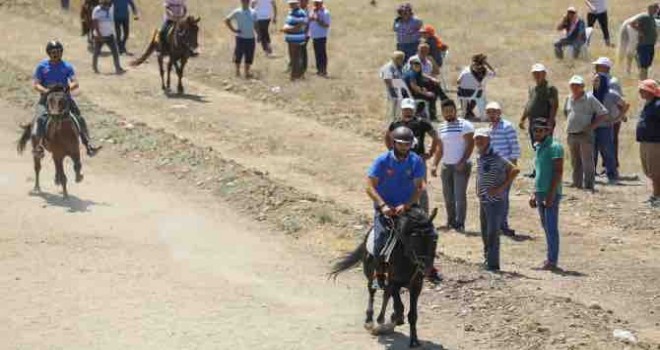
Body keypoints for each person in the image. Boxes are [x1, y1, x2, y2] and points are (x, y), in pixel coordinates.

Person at [367, 126, 441, 285]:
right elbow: (370, 187)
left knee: (430, 234)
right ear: (393, 143)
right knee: (380, 241)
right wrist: (382, 205)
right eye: (400, 144)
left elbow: (420, 187)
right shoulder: (382, 161)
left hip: (408, 208)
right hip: (386, 209)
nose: (404, 147)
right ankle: (379, 273)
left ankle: (428, 267)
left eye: (407, 144)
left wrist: (407, 205)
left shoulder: (416, 161)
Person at [32, 41, 101, 158]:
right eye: (54, 52)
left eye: (59, 52)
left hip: (64, 99)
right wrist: (46, 91)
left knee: (79, 117)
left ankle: (87, 144)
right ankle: (39, 146)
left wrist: (67, 88)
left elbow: (75, 82)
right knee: (39, 119)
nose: (57, 55)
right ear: (49, 53)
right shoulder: (41, 67)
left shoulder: (67, 66)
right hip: (47, 100)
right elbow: (36, 84)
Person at [474, 128, 519, 272]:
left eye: (482, 138)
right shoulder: (479, 156)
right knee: (485, 231)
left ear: (488, 140)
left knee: (493, 232)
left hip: (495, 201)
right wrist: (477, 189)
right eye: (477, 138)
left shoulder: (496, 155)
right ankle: (487, 259)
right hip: (484, 200)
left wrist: (501, 188)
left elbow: (514, 170)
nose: (479, 141)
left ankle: (493, 265)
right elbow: (480, 175)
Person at [385, 98, 439, 213]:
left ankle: (424, 215)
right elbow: (387, 136)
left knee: (421, 188)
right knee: (402, 185)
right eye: (405, 109)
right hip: (400, 160)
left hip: (418, 160)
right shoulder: (396, 124)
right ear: (402, 110)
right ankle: (404, 212)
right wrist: (391, 151)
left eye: (410, 109)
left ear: (413, 110)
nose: (407, 112)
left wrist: (431, 152)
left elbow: (435, 136)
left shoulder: (421, 122)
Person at [431, 99, 475, 232]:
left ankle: (460, 223)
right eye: (445, 112)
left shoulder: (465, 125)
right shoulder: (441, 127)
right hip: (446, 165)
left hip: (461, 165)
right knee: (448, 195)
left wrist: (462, 161)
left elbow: (470, 145)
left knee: (459, 195)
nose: (448, 114)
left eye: (451, 111)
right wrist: (434, 164)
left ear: (455, 110)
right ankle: (451, 221)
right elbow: (440, 148)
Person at [529, 118, 564, 271]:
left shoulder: (555, 147)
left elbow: (558, 171)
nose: (537, 133)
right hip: (540, 192)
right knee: (546, 227)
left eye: (541, 130)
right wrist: (533, 193)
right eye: (535, 130)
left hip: (551, 193)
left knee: (551, 227)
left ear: (548, 130)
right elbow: (539, 172)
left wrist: (550, 194)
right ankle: (550, 258)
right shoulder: (538, 147)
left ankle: (552, 261)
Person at [563, 75, 608, 190]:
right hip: (571, 133)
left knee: (587, 161)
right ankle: (576, 183)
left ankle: (589, 184)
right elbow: (566, 112)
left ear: (582, 86)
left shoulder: (590, 98)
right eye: (572, 85)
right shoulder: (569, 98)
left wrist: (592, 126)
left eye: (577, 85)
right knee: (575, 160)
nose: (574, 87)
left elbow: (603, 113)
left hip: (585, 134)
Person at [486, 102, 521, 237]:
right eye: (489, 112)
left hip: (505, 167)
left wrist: (512, 168)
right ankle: (495, 224)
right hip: (492, 168)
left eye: (494, 111)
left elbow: (515, 148)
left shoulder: (507, 127)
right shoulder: (488, 128)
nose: (491, 114)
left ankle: (503, 225)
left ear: (499, 112)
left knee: (503, 197)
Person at [519, 63, 558, 178]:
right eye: (534, 73)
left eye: (539, 73)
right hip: (533, 122)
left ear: (544, 74)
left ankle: (545, 171)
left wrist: (550, 121)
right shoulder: (533, 88)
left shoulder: (550, 89)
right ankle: (537, 170)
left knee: (544, 146)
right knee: (536, 146)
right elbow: (529, 104)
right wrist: (523, 118)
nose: (537, 75)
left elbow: (554, 106)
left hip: (544, 123)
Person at [593, 73, 630, 183]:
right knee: (592, 151)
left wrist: (616, 119)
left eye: (597, 81)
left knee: (607, 151)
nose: (595, 83)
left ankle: (612, 175)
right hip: (592, 127)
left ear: (603, 82)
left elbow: (625, 105)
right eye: (594, 81)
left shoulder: (611, 94)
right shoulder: (590, 95)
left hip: (605, 127)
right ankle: (591, 174)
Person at [636, 79, 660, 207]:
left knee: (656, 171)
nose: (640, 91)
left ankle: (657, 197)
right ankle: (655, 195)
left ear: (650, 91)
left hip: (655, 143)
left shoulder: (658, 105)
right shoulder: (649, 104)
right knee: (649, 171)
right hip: (645, 142)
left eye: (643, 89)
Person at [403, 56, 448, 120]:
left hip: (412, 93)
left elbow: (422, 74)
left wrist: (432, 78)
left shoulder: (412, 72)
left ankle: (444, 99)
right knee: (432, 96)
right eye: (415, 65)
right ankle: (432, 115)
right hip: (412, 94)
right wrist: (426, 93)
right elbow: (414, 87)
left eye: (418, 64)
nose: (417, 66)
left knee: (435, 86)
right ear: (411, 65)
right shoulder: (412, 74)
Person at [457, 54, 496, 120]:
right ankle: (473, 113)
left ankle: (466, 112)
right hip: (475, 93)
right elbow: (494, 73)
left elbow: (458, 81)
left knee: (468, 93)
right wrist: (487, 64)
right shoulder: (484, 70)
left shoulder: (466, 69)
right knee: (479, 94)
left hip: (462, 93)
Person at [225, 0, 257, 78]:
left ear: (249, 2)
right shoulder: (237, 12)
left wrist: (259, 34)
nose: (245, 2)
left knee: (249, 56)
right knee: (238, 55)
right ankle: (237, 72)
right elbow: (227, 20)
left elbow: (256, 25)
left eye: (246, 1)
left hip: (251, 37)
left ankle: (247, 72)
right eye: (243, 1)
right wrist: (233, 30)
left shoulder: (253, 12)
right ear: (241, 2)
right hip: (240, 37)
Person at [92, 0, 125, 74]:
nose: (109, 6)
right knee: (96, 52)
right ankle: (95, 68)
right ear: (103, 4)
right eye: (107, 5)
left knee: (115, 52)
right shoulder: (96, 10)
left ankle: (118, 68)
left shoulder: (111, 7)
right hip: (99, 36)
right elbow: (95, 24)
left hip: (110, 35)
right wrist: (99, 35)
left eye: (109, 5)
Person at [631, 3, 659, 80]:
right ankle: (643, 82)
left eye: (657, 9)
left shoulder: (652, 18)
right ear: (650, 8)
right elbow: (632, 23)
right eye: (655, 8)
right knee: (644, 66)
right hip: (644, 45)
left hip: (650, 45)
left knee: (646, 65)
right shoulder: (644, 16)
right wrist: (640, 31)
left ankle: (644, 80)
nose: (656, 10)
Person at [282, 0, 307, 81]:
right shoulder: (291, 12)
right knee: (293, 57)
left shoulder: (301, 12)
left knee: (295, 57)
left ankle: (295, 75)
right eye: (290, 4)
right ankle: (297, 75)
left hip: (296, 38)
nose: (291, 5)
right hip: (291, 37)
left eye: (293, 4)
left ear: (297, 3)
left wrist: (288, 30)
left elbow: (300, 26)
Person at [380, 51, 406, 122]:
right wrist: (400, 84)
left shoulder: (400, 67)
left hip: (399, 91)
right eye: (400, 58)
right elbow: (387, 80)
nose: (402, 60)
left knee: (399, 109)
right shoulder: (388, 67)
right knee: (392, 109)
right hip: (392, 91)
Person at [309, 0, 330, 77]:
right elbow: (309, 20)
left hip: (321, 36)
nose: (315, 5)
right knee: (317, 54)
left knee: (322, 53)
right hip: (314, 36)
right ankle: (319, 70)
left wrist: (317, 19)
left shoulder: (326, 13)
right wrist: (311, 18)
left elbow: (326, 25)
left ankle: (323, 70)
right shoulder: (313, 11)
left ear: (321, 3)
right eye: (315, 3)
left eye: (317, 3)